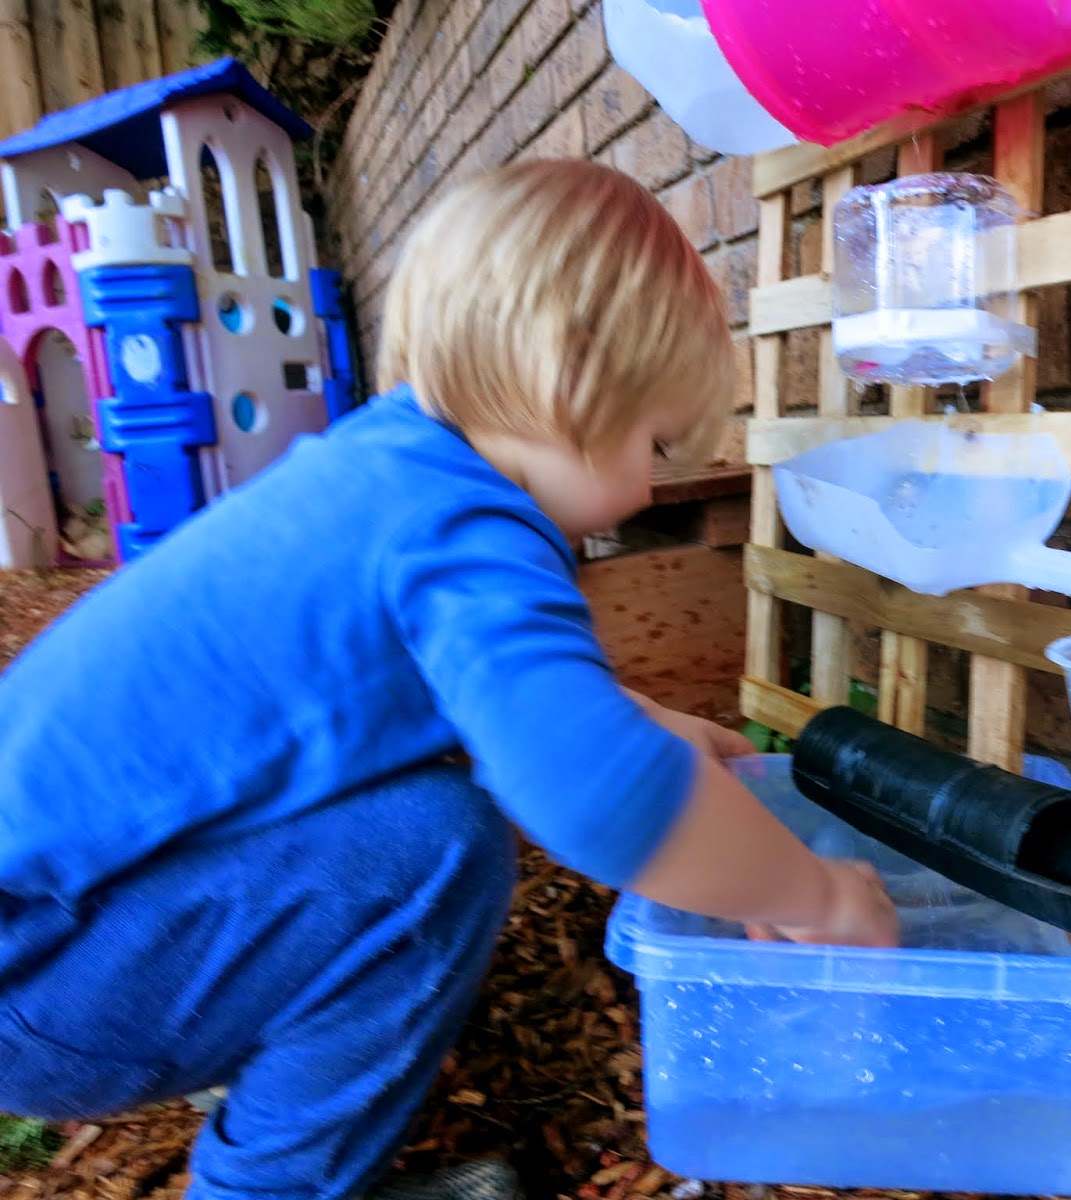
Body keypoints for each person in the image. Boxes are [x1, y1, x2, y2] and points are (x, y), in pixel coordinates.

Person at [0, 158, 899, 1200]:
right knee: (432, 851)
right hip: (41, 986)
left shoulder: (384, 471)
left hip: (50, 929)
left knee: (411, 819)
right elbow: (600, 796)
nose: (647, 485)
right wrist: (814, 896)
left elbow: (416, 698)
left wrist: (648, 725)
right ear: (568, 376)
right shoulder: (465, 524)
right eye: (653, 441)